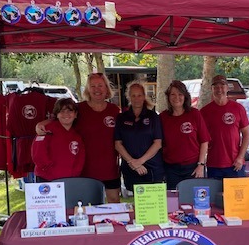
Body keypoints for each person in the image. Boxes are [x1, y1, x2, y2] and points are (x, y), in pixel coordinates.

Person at [36, 73, 121, 202]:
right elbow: (59, 118)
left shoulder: (114, 110)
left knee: (114, 201)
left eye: (100, 85)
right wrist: (41, 124)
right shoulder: (79, 109)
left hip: (109, 166)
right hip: (84, 168)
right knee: (84, 204)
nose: (97, 89)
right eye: (93, 86)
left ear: (106, 88)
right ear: (88, 89)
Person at [159, 80, 211, 190]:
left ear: (185, 96)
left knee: (194, 198)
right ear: (168, 97)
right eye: (173, 94)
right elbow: (158, 143)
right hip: (171, 169)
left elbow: (204, 141)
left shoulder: (194, 114)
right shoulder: (163, 117)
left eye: (180, 94)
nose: (176, 97)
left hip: (193, 167)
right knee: (173, 198)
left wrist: (201, 165)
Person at [114, 81, 164, 192]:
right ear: (129, 97)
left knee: (152, 201)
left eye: (139, 95)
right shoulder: (121, 118)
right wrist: (133, 162)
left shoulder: (153, 117)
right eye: (133, 95)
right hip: (131, 167)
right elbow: (118, 144)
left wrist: (140, 161)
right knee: (134, 200)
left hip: (152, 168)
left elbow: (157, 143)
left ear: (144, 96)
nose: (137, 99)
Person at [200, 74, 249, 180]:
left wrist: (240, 157)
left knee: (237, 191)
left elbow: (246, 134)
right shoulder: (204, 112)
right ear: (211, 89)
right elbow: (201, 139)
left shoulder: (238, 108)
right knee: (215, 191)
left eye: (222, 86)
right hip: (214, 164)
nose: (219, 90)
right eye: (216, 87)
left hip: (235, 164)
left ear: (227, 88)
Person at [31, 98, 85, 181]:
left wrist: (75, 174)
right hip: (47, 179)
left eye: (70, 111)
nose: (66, 114)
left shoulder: (77, 137)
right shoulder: (45, 130)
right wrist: (48, 169)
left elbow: (80, 159)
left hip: (69, 180)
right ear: (57, 114)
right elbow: (38, 153)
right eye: (62, 111)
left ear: (75, 114)